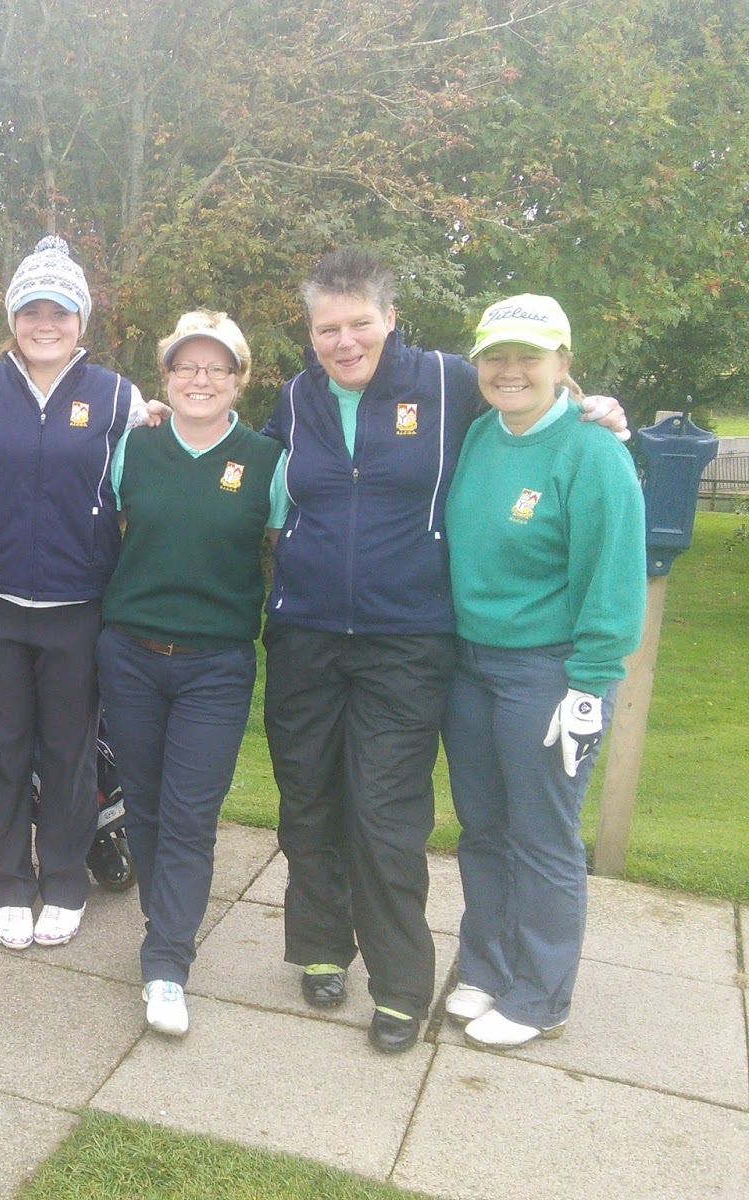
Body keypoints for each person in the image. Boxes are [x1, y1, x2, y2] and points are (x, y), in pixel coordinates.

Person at [261, 247, 627, 1053]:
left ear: (391, 320)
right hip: (306, 636)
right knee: (309, 802)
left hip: (408, 640)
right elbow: (241, 460)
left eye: (361, 323)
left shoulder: (447, 382)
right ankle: (321, 947)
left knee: (386, 815)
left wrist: (594, 405)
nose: (345, 340)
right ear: (311, 333)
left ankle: (400, 985)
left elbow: (523, 398)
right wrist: (154, 422)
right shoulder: (295, 398)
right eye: (329, 328)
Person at [439, 295, 644, 1048]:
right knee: (483, 829)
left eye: (531, 356)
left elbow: (613, 584)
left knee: (543, 836)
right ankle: (487, 966)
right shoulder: (478, 436)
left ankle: (541, 995)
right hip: (468, 663)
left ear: (565, 365)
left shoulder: (594, 454)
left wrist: (590, 685)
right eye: (497, 356)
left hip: (549, 672)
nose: (511, 370)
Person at [0, 235, 154, 951]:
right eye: (31, 309)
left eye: (59, 310)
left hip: (78, 605)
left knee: (69, 752)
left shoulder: (117, 397)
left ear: (81, 321)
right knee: (2, 746)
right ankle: (10, 882)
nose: (45, 323)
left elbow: (147, 485)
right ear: (12, 317)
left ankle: (63, 880)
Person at [96, 311, 287, 1035]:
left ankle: (167, 963)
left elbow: (285, 542)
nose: (199, 379)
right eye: (186, 366)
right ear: (167, 376)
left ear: (239, 380)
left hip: (216, 665)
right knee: (142, 804)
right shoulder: (134, 446)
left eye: (216, 368)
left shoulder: (268, 460)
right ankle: (164, 922)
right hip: (131, 657)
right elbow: (109, 529)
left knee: (189, 816)